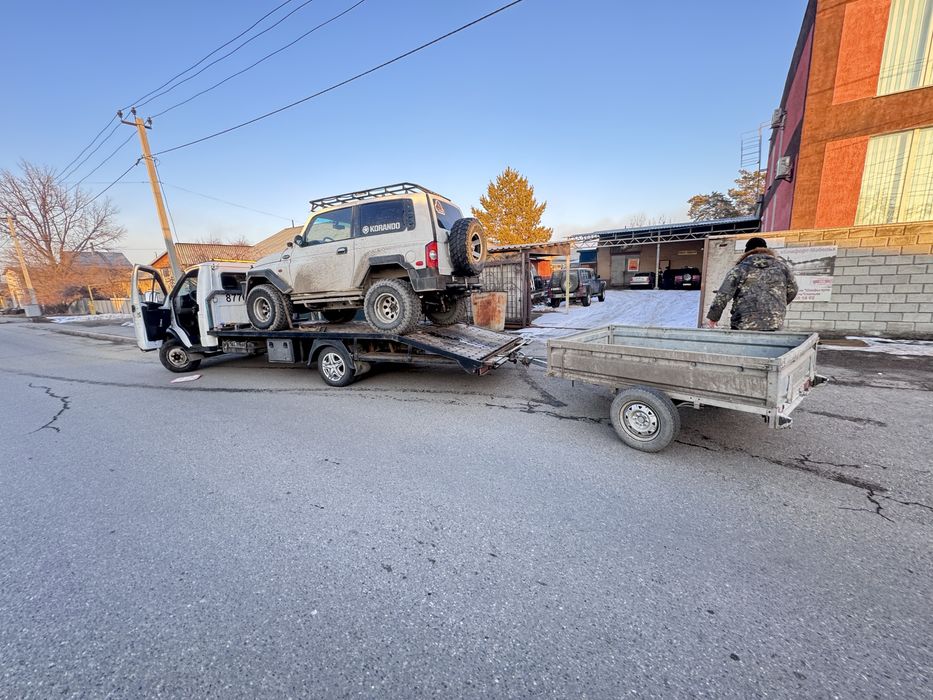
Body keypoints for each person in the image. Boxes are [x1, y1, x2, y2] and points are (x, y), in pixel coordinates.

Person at [705, 237, 798, 331]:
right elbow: (793, 291)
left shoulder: (740, 268)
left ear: (747, 252)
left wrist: (713, 317)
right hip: (774, 322)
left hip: (744, 323)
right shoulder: (783, 268)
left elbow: (723, 294)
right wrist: (776, 305)